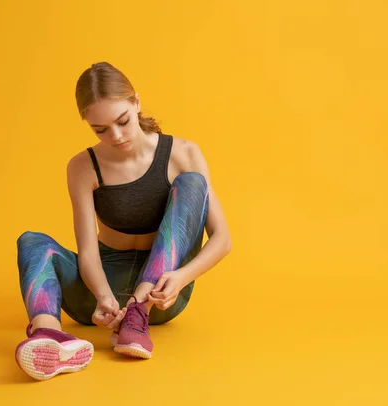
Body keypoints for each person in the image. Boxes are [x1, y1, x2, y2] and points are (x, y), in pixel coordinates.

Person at [13, 62, 231, 380]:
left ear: (136, 103)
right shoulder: (82, 167)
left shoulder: (183, 153)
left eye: (123, 121)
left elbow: (223, 238)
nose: (115, 136)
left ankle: (137, 315)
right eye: (100, 129)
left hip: (160, 295)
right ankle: (49, 336)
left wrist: (182, 278)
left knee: (192, 183)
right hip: (101, 292)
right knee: (32, 241)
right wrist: (103, 296)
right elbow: (87, 252)